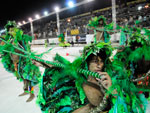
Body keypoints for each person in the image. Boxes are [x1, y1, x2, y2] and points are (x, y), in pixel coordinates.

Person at [0, 21, 41, 102]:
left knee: (29, 78)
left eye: (12, 30)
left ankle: (32, 93)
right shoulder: (10, 40)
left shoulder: (21, 38)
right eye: (9, 30)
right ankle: (26, 91)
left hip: (25, 63)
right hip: (17, 64)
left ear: (16, 29)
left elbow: (26, 50)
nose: (11, 32)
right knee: (23, 78)